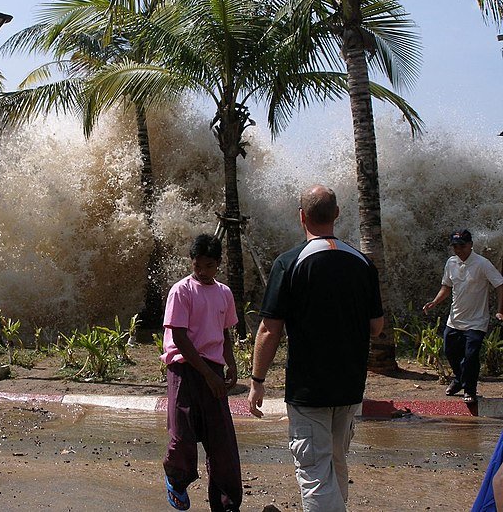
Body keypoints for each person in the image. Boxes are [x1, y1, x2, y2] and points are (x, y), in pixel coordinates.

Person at [248, 185, 384, 512]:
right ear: (337, 214)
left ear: (302, 217)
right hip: (349, 387)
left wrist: (257, 380)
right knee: (336, 462)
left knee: (314, 470)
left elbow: (269, 329)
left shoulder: (289, 263)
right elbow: (377, 326)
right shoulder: (362, 264)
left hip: (309, 389)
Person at [161, 233, 242, 512]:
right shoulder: (181, 291)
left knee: (222, 442)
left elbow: (225, 332)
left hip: (214, 369)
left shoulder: (224, 293)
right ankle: (176, 479)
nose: (203, 271)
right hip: (184, 369)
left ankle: (227, 503)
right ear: (192, 262)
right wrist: (208, 375)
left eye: (209, 266)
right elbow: (180, 338)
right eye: (198, 265)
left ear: (218, 264)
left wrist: (230, 364)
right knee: (182, 434)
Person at [423, 229, 503, 404]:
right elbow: (446, 286)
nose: (458, 250)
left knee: (471, 356)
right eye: (455, 246)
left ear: (470, 245)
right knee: (450, 352)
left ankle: (470, 390)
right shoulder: (451, 263)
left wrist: (500, 309)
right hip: (455, 319)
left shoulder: (482, 264)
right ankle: (459, 380)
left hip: (477, 321)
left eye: (461, 246)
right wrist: (435, 302)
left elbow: (499, 284)